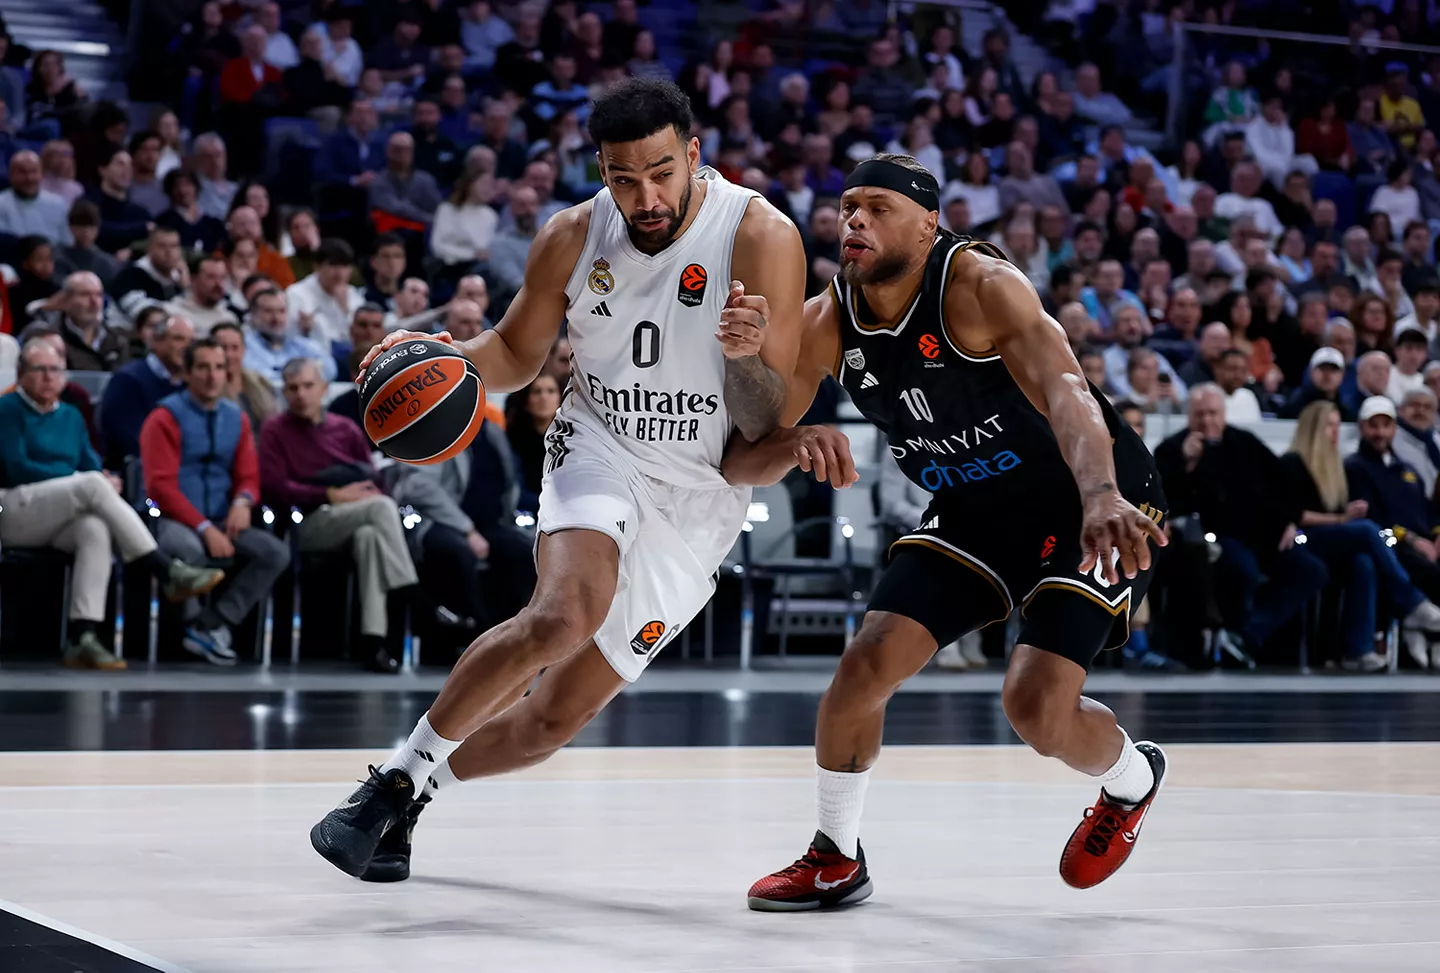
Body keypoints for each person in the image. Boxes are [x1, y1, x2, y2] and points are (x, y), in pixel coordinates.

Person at [310, 78, 805, 883]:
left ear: (694, 155)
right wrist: (436, 352)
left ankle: (418, 792)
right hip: (599, 443)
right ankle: (391, 781)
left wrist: (747, 355)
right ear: (600, 169)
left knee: (547, 725)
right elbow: (511, 355)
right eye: (623, 177)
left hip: (700, 495)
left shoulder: (759, 236)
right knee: (561, 614)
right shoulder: (572, 236)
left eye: (661, 173)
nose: (645, 196)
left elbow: (763, 422)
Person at [0, 339, 223, 669]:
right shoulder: (7, 410)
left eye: (56, 370)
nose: (49, 377)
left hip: (57, 512)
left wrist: (103, 479)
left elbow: (91, 462)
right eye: (40, 370)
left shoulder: (71, 415)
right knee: (90, 486)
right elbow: (16, 467)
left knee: (95, 529)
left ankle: (83, 636)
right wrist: (84, 478)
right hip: (13, 508)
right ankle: (164, 569)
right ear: (20, 374)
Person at [260, 358, 418, 673]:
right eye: (293, 388)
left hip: (356, 516)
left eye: (307, 386)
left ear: (323, 389)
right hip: (306, 521)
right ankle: (414, 594)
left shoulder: (345, 429)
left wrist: (361, 494)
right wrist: (331, 494)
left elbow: (376, 481)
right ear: (285, 393)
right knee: (381, 508)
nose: (301, 394)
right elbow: (275, 487)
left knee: (371, 537)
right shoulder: (275, 430)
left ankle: (372, 643)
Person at [139, 337, 289, 665]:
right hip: (173, 518)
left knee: (274, 552)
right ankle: (193, 626)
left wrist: (242, 502)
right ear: (187, 373)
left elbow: (248, 476)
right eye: (203, 368)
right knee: (189, 550)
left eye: (219, 367)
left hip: (223, 517)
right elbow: (160, 487)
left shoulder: (238, 418)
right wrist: (204, 528)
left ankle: (212, 623)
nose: (212, 376)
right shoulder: (164, 417)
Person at [1156, 385, 1328, 662]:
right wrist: (1185, 462)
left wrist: (1289, 520)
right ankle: (1235, 638)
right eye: (1200, 414)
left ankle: (1246, 635)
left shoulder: (1244, 442)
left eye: (1213, 413)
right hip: (1214, 537)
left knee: (1312, 570)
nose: (1206, 420)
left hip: (1265, 535)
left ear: (1223, 414)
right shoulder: (1171, 449)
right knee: (1242, 570)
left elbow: (1285, 483)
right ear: (1189, 416)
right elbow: (1166, 501)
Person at [1282, 401, 1440, 671]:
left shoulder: (1400, 470)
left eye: (1335, 425)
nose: (1334, 432)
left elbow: (1428, 512)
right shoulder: (1298, 463)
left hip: (1339, 539)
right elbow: (1293, 513)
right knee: (1368, 531)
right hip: (1303, 539)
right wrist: (1342, 519)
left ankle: (1359, 650)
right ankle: (1413, 605)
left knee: (1363, 562)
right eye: (1328, 426)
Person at [1346, 395, 1440, 670]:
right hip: (1388, 540)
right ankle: (1419, 621)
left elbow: (1429, 509)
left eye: (1385, 426)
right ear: (1363, 428)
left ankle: (1428, 634)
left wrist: (1437, 534)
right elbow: (1369, 516)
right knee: (1426, 569)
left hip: (1423, 542)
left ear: (1394, 429)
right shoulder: (1356, 468)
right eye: (1373, 426)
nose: (1379, 433)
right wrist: (1409, 537)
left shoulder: (1407, 470)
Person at [98, 314, 194, 465]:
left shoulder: (190, 384)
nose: (186, 347)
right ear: (156, 341)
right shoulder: (128, 380)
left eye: (191, 341)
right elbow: (127, 441)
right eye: (178, 339)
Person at [243, 287, 333, 384]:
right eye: (268, 311)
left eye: (281, 311)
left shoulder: (303, 345)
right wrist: (303, 376)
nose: (276, 318)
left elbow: (330, 369)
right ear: (253, 315)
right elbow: (257, 377)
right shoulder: (244, 346)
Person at [286, 239, 365, 347]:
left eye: (344, 266)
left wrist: (345, 309)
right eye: (333, 265)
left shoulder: (353, 296)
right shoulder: (296, 293)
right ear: (317, 266)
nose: (339, 272)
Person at [504, 373, 560, 511]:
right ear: (527, 400)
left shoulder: (571, 441)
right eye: (537, 391)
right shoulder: (510, 440)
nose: (544, 397)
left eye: (551, 391)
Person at [211, 321, 277, 432]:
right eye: (222, 348)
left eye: (235, 347)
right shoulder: (205, 389)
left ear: (243, 350)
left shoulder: (260, 381)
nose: (229, 355)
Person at [0, 150, 71, 244]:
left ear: (41, 174)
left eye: (33, 171)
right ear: (11, 175)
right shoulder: (1, 204)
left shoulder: (58, 204)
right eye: (22, 172)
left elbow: (66, 242)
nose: (29, 178)